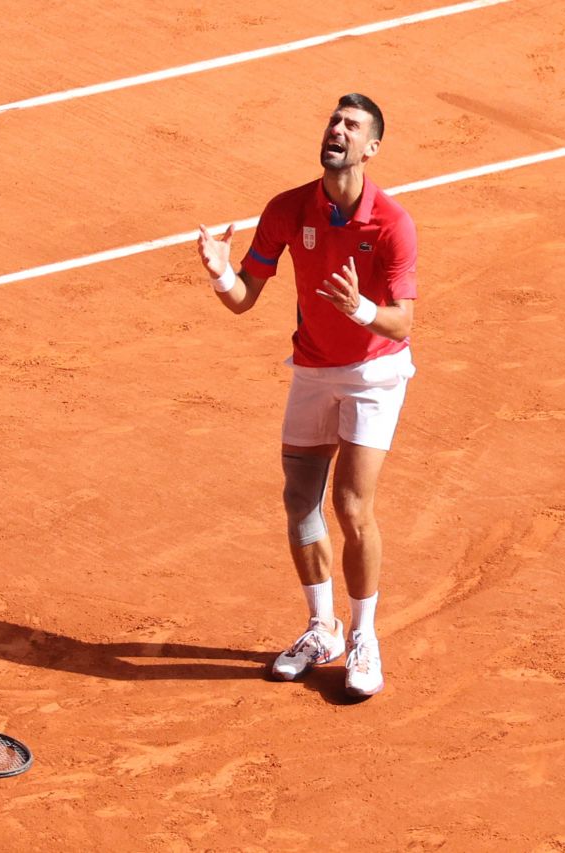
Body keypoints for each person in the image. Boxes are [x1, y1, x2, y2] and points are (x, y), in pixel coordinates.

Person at [196, 93, 417, 697]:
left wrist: (361, 308)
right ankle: (323, 629)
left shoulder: (391, 223)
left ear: (371, 148)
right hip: (314, 370)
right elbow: (244, 297)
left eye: (352, 126)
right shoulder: (289, 209)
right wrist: (220, 269)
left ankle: (365, 636)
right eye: (333, 121)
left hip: (374, 376)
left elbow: (402, 323)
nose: (337, 130)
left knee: (351, 506)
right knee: (299, 502)